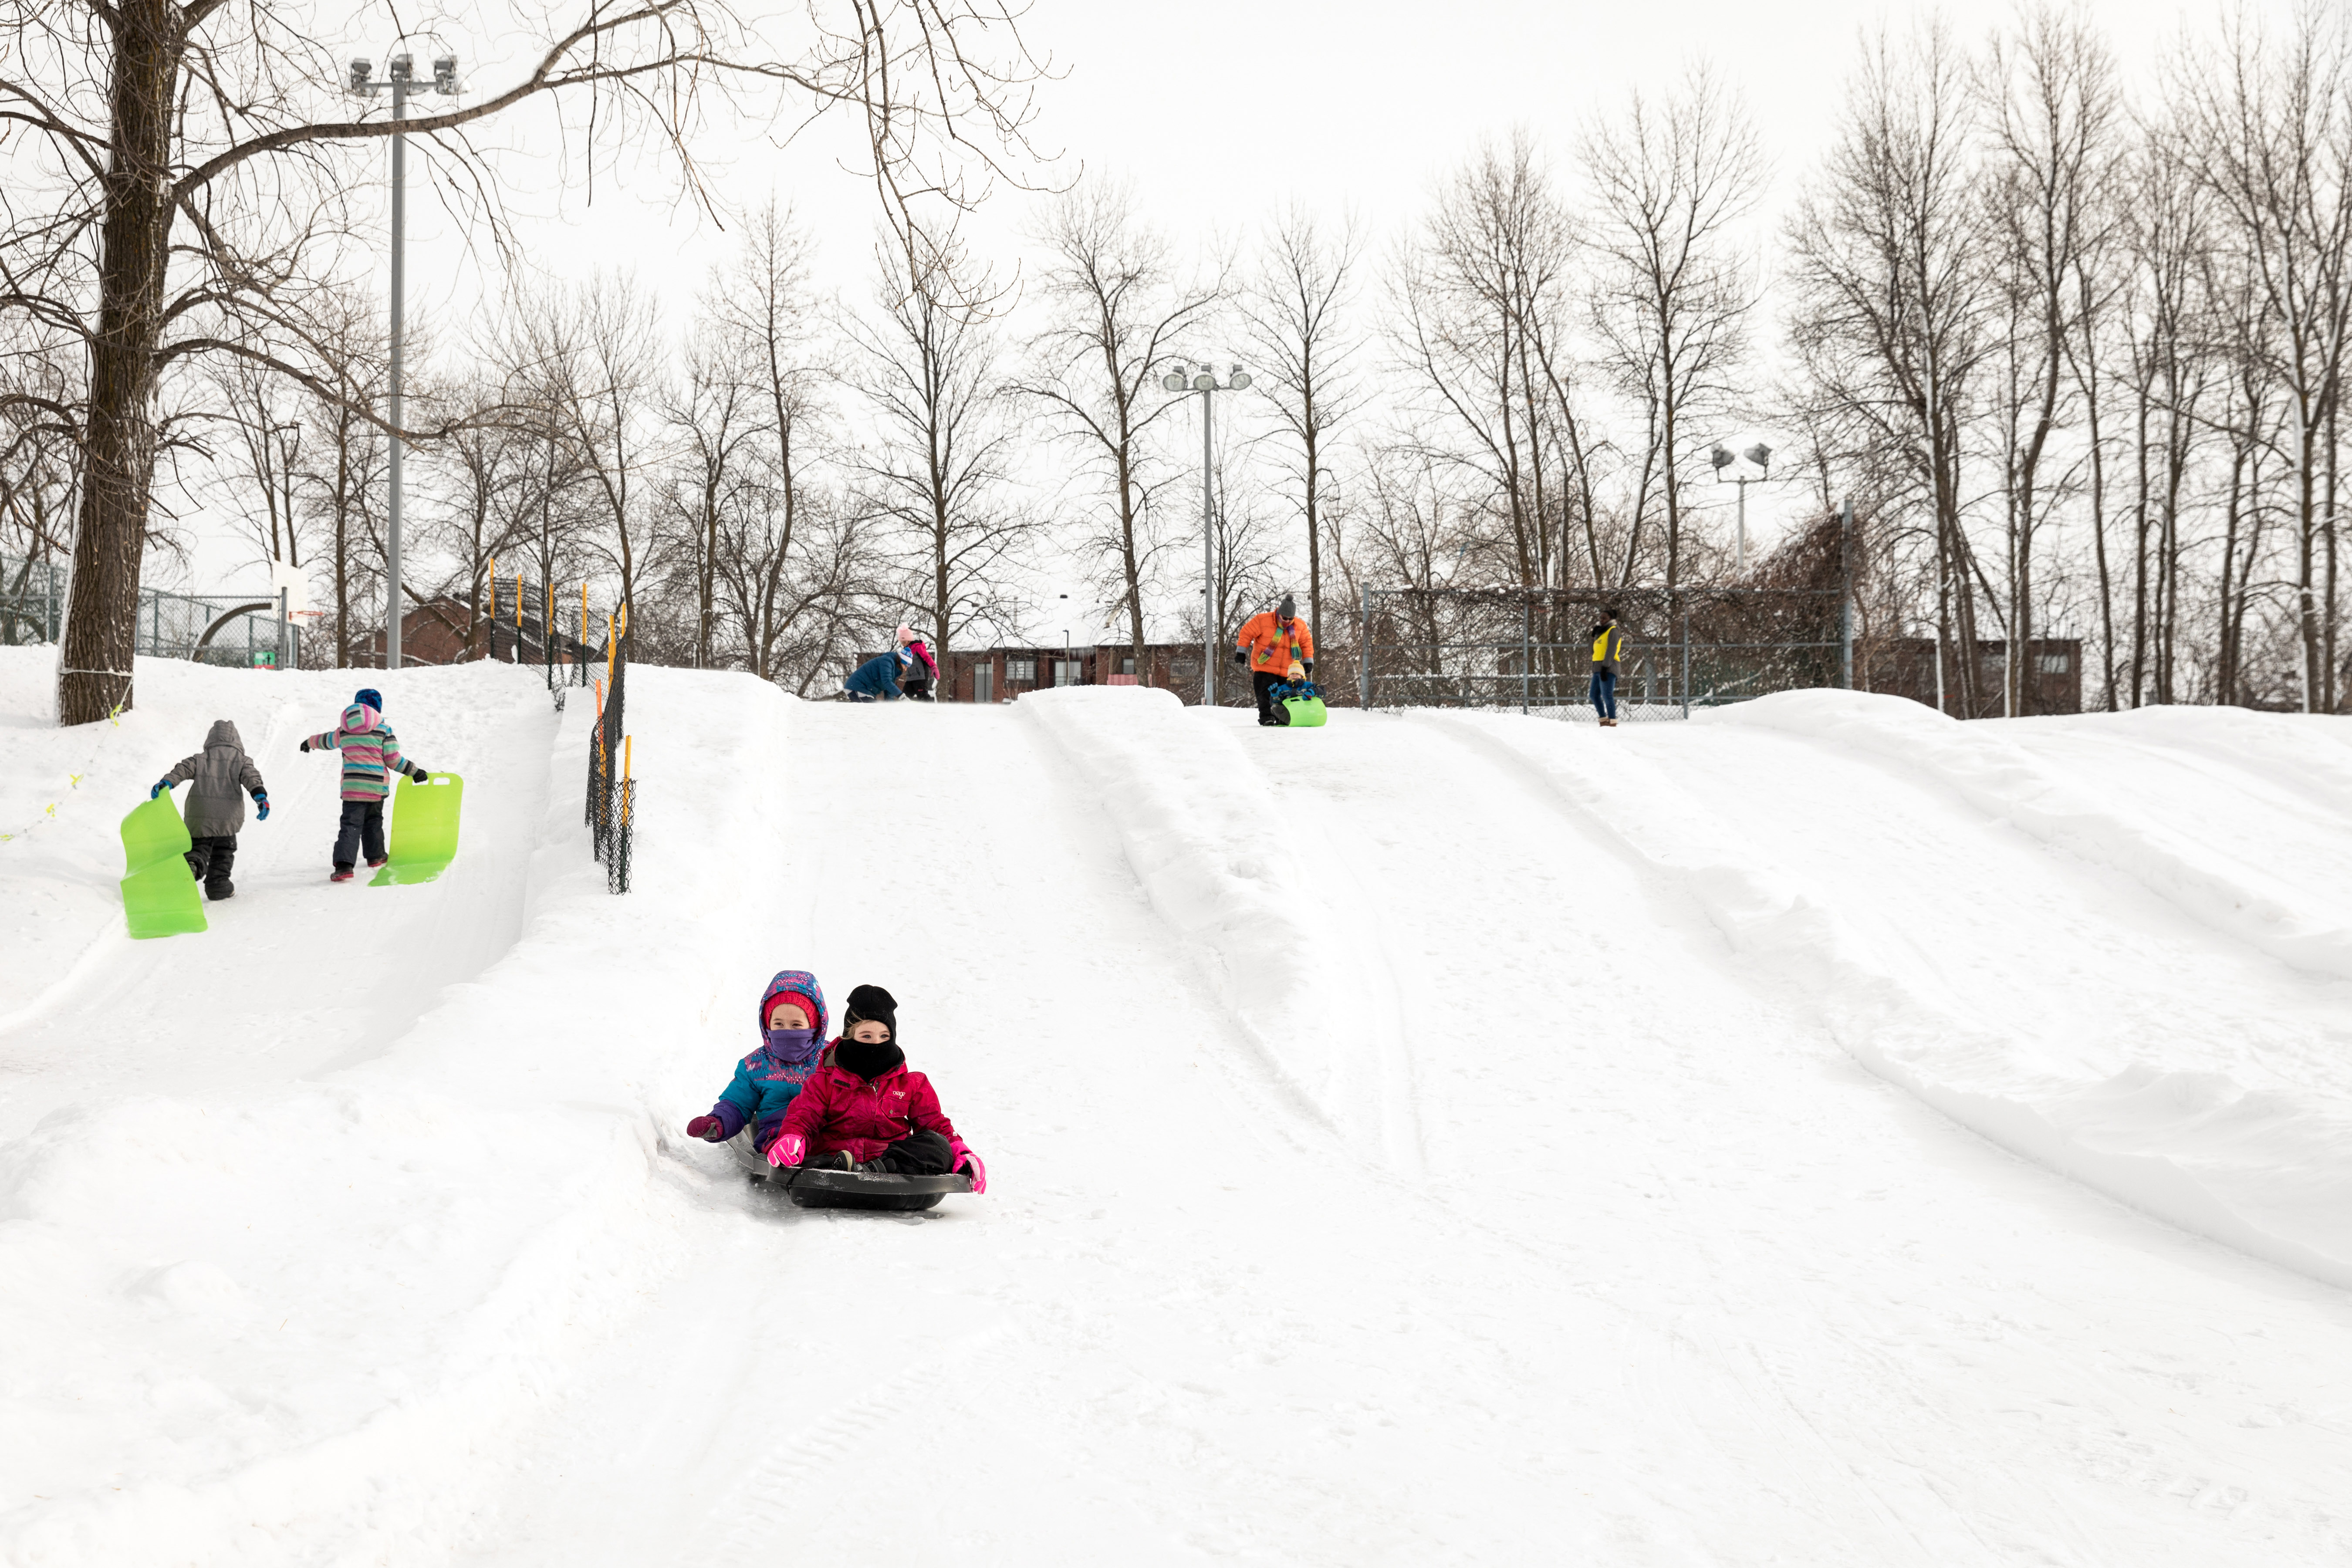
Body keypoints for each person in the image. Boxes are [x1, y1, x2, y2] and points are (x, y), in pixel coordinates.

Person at [766, 983, 987, 1190]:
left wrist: (961, 1151)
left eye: (884, 1036)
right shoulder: (825, 1081)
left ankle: (872, 1171)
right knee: (809, 1155)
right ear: (849, 1037)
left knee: (936, 1145)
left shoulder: (912, 1084)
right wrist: (793, 1138)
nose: (876, 1044)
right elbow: (804, 1118)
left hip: (892, 1161)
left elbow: (934, 1124)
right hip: (836, 1157)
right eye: (866, 1036)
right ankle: (840, 1171)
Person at [685, 971, 829, 1156]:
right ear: (767, 1025)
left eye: (796, 1025)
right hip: (777, 1135)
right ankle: (791, 1154)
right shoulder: (756, 1066)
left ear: (815, 1026)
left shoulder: (832, 1060)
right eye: (779, 1024)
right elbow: (738, 1103)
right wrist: (718, 1123)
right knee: (786, 1145)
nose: (787, 1032)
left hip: (827, 1134)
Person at [301, 693, 428, 882]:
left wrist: (308, 742)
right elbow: (393, 760)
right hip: (377, 787)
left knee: (350, 825)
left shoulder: (344, 730)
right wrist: (414, 771)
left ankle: (344, 865)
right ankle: (376, 856)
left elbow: (325, 740)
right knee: (374, 820)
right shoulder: (384, 730)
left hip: (353, 788)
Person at [151, 719, 269, 901]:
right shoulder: (242, 761)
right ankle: (218, 887)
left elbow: (182, 769)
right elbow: (252, 778)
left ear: (211, 740)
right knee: (223, 852)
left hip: (200, 816)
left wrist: (167, 782)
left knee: (199, 847)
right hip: (228, 818)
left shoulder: (200, 759)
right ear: (237, 742)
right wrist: (260, 797)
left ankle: (193, 866)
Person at [1235, 593, 1316, 727]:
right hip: (1264, 666)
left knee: (1284, 696)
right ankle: (1267, 717)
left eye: (1291, 619)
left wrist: (1308, 660)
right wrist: (1241, 652)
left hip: (1286, 670)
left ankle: (1283, 719)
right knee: (1266, 694)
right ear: (1279, 613)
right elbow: (1246, 632)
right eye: (1285, 618)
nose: (1287, 621)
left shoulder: (1299, 626)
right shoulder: (1263, 620)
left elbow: (1307, 643)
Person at [1589, 609, 1627, 727]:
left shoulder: (1613, 631)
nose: (1601, 620)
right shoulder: (1600, 632)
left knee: (1607, 695)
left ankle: (1612, 722)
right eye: (1600, 618)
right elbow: (1592, 651)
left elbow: (1612, 650)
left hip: (1609, 668)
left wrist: (1606, 667)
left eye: (1604, 618)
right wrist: (1593, 636)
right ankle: (1603, 720)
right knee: (1594, 695)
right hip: (1597, 668)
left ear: (1611, 619)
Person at [842, 647, 911, 703]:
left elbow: (889, 691)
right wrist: (902, 697)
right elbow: (887, 682)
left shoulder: (894, 670)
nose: (906, 669)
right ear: (901, 661)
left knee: (872, 710)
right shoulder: (887, 661)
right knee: (872, 711)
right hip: (857, 688)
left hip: (866, 692)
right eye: (906, 666)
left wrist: (891, 707)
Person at [1265, 660, 1320, 727]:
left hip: (1305, 711)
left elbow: (1322, 690)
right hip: (1290, 713)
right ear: (1289, 676)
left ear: (1302, 676)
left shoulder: (1308, 686)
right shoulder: (1283, 688)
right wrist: (1275, 695)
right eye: (1292, 674)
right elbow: (1276, 703)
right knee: (1275, 708)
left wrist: (1311, 692)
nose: (1294, 676)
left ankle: (1303, 721)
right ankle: (1290, 721)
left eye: (1297, 674)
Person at [896, 625, 941, 700]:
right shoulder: (904, 651)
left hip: (921, 677)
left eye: (904, 642)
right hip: (910, 678)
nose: (903, 644)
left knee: (923, 697)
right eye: (901, 643)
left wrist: (934, 667)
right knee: (904, 698)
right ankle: (904, 711)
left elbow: (927, 658)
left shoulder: (918, 647)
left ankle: (931, 710)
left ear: (909, 640)